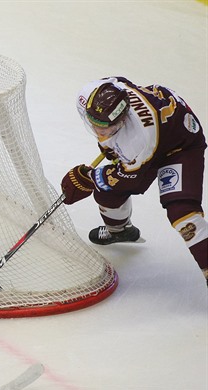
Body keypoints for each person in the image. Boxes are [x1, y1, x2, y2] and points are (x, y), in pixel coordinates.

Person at [61, 76, 207, 283]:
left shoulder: (137, 140)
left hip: (179, 145)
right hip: (153, 135)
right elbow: (119, 81)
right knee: (106, 192)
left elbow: (127, 178)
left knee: (182, 213)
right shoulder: (88, 94)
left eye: (104, 127)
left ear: (123, 119)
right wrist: (108, 150)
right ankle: (121, 232)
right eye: (94, 123)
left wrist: (90, 177)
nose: (97, 131)